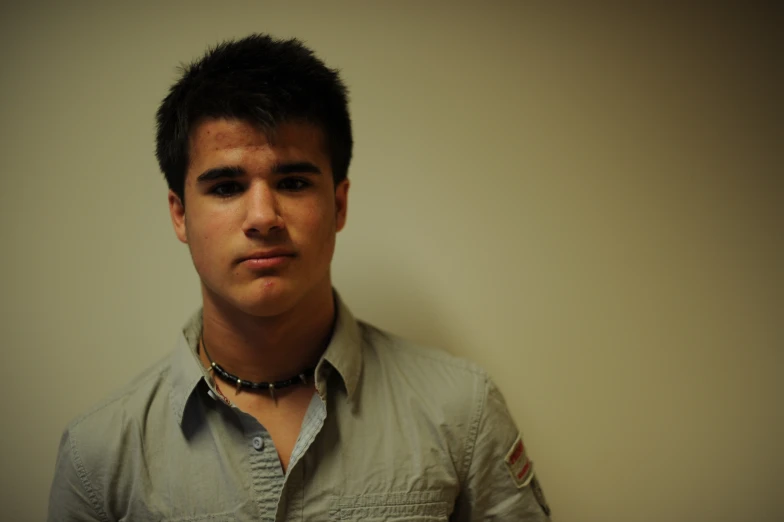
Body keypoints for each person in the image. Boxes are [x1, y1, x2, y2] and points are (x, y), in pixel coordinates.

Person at [47, 34, 551, 521]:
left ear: (338, 203)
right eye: (226, 186)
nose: (263, 216)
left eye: (292, 182)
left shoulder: (463, 410)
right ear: (180, 215)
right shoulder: (99, 457)